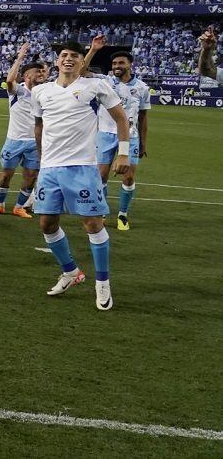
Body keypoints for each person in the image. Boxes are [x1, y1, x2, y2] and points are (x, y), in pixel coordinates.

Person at [31, 41, 131, 312]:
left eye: (74, 56)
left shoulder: (94, 87)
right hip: (51, 168)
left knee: (93, 225)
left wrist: (123, 154)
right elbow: (39, 127)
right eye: (63, 55)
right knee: (47, 224)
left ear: (81, 61)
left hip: (83, 167)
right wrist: (41, 159)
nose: (68, 59)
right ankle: (71, 271)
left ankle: (102, 283)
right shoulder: (41, 91)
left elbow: (122, 119)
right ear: (56, 62)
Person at [86, 38, 149, 231]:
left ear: (130, 64)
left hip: (130, 137)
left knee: (128, 178)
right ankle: (103, 211)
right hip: (104, 134)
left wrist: (144, 143)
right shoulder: (104, 81)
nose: (116, 66)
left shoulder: (142, 88)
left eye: (121, 63)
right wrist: (93, 50)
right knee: (101, 177)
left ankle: (123, 214)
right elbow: (81, 72)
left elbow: (143, 117)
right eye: (114, 63)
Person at [0, 43, 44, 218]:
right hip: (14, 140)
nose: (42, 74)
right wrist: (20, 57)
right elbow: (9, 81)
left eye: (43, 72)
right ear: (27, 75)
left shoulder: (45, 93)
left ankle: (19, 207)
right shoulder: (18, 91)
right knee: (6, 175)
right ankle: (0, 204)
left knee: (31, 177)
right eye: (38, 71)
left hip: (35, 143)